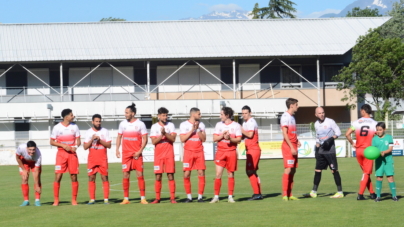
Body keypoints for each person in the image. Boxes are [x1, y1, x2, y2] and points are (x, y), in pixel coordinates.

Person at [303, 107, 343, 199]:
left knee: (334, 170)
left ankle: (340, 192)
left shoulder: (330, 121)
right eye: (320, 113)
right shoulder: (316, 124)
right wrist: (316, 149)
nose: (322, 114)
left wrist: (330, 139)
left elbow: (338, 132)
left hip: (330, 150)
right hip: (321, 150)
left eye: (323, 112)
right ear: (316, 115)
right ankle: (313, 192)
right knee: (317, 170)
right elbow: (317, 137)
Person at [116, 103, 148, 205]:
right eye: (125, 112)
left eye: (127, 112)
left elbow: (145, 139)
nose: (125, 114)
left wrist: (140, 151)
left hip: (137, 154)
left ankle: (143, 198)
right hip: (126, 154)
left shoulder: (140, 124)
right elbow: (119, 137)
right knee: (125, 174)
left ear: (132, 113)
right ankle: (126, 199)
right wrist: (117, 149)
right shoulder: (122, 124)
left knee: (140, 174)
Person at [210, 107, 242, 203]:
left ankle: (230, 197)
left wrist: (230, 139)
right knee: (218, 174)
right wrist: (222, 136)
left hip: (231, 151)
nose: (220, 116)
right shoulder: (218, 125)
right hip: (220, 152)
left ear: (227, 115)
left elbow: (239, 140)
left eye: (221, 114)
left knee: (230, 174)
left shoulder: (236, 125)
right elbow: (214, 138)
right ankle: (216, 197)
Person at [345, 104, 377, 200]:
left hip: (359, 150)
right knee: (366, 173)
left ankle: (372, 193)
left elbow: (347, 134)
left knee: (365, 173)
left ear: (363, 111)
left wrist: (352, 143)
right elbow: (378, 135)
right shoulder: (374, 123)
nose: (360, 112)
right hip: (369, 151)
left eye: (360, 110)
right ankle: (360, 194)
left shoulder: (356, 122)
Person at [50, 108, 81, 206]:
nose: (73, 116)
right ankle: (56, 200)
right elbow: (51, 141)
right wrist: (63, 146)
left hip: (72, 154)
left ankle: (74, 200)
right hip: (61, 154)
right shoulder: (57, 127)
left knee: (73, 176)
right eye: (71, 115)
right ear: (66, 117)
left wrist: (75, 146)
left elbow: (78, 140)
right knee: (58, 176)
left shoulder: (75, 126)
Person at [150, 107, 177, 204]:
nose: (165, 117)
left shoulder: (171, 125)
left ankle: (172, 198)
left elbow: (173, 139)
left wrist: (165, 133)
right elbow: (153, 142)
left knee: (170, 175)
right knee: (158, 176)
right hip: (159, 155)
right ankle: (157, 198)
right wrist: (162, 135)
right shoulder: (154, 127)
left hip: (169, 154)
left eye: (166, 115)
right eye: (163, 115)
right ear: (158, 116)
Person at [179, 107, 206, 203]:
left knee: (201, 173)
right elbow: (182, 139)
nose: (200, 115)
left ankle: (200, 197)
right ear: (193, 114)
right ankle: (189, 197)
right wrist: (192, 130)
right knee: (186, 174)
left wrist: (198, 129)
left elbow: (203, 139)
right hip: (188, 152)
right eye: (199, 114)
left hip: (199, 152)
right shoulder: (184, 124)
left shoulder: (201, 124)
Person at [83, 114, 112, 205]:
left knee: (104, 177)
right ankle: (92, 199)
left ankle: (106, 199)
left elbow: (109, 146)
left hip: (102, 159)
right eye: (96, 121)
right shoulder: (88, 132)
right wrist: (92, 140)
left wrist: (100, 140)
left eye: (99, 121)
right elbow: (85, 147)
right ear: (92, 122)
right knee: (91, 178)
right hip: (92, 159)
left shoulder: (105, 131)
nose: (98, 123)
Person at [280, 98, 301, 201]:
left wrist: (297, 141)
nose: (298, 106)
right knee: (288, 169)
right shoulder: (285, 116)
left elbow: (292, 132)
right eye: (297, 104)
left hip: (293, 145)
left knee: (293, 170)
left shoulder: (292, 117)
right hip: (288, 147)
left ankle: (290, 194)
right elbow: (284, 133)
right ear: (292, 105)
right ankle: (284, 195)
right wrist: (292, 147)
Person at [372, 122, 398, 202]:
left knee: (390, 177)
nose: (378, 131)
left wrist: (384, 152)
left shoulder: (389, 137)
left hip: (388, 161)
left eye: (380, 130)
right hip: (379, 162)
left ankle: (394, 196)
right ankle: (378, 196)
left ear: (384, 129)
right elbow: (373, 151)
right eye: (377, 130)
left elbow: (390, 149)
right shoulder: (374, 139)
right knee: (379, 178)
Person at [241, 105, 263, 201]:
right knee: (253, 171)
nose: (244, 115)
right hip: (250, 149)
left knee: (249, 171)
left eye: (246, 113)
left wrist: (241, 130)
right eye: (243, 113)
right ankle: (258, 193)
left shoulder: (251, 122)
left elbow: (250, 134)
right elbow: (244, 136)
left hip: (253, 149)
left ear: (250, 113)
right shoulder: (245, 122)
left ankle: (257, 193)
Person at [16, 141, 42, 206]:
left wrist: (37, 185)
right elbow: (18, 158)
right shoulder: (21, 148)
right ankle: (26, 201)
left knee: (37, 180)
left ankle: (37, 200)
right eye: (30, 149)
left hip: (34, 162)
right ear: (26, 148)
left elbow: (36, 172)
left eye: (33, 149)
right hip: (24, 162)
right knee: (24, 179)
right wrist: (24, 169)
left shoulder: (38, 155)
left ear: (35, 148)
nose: (32, 151)